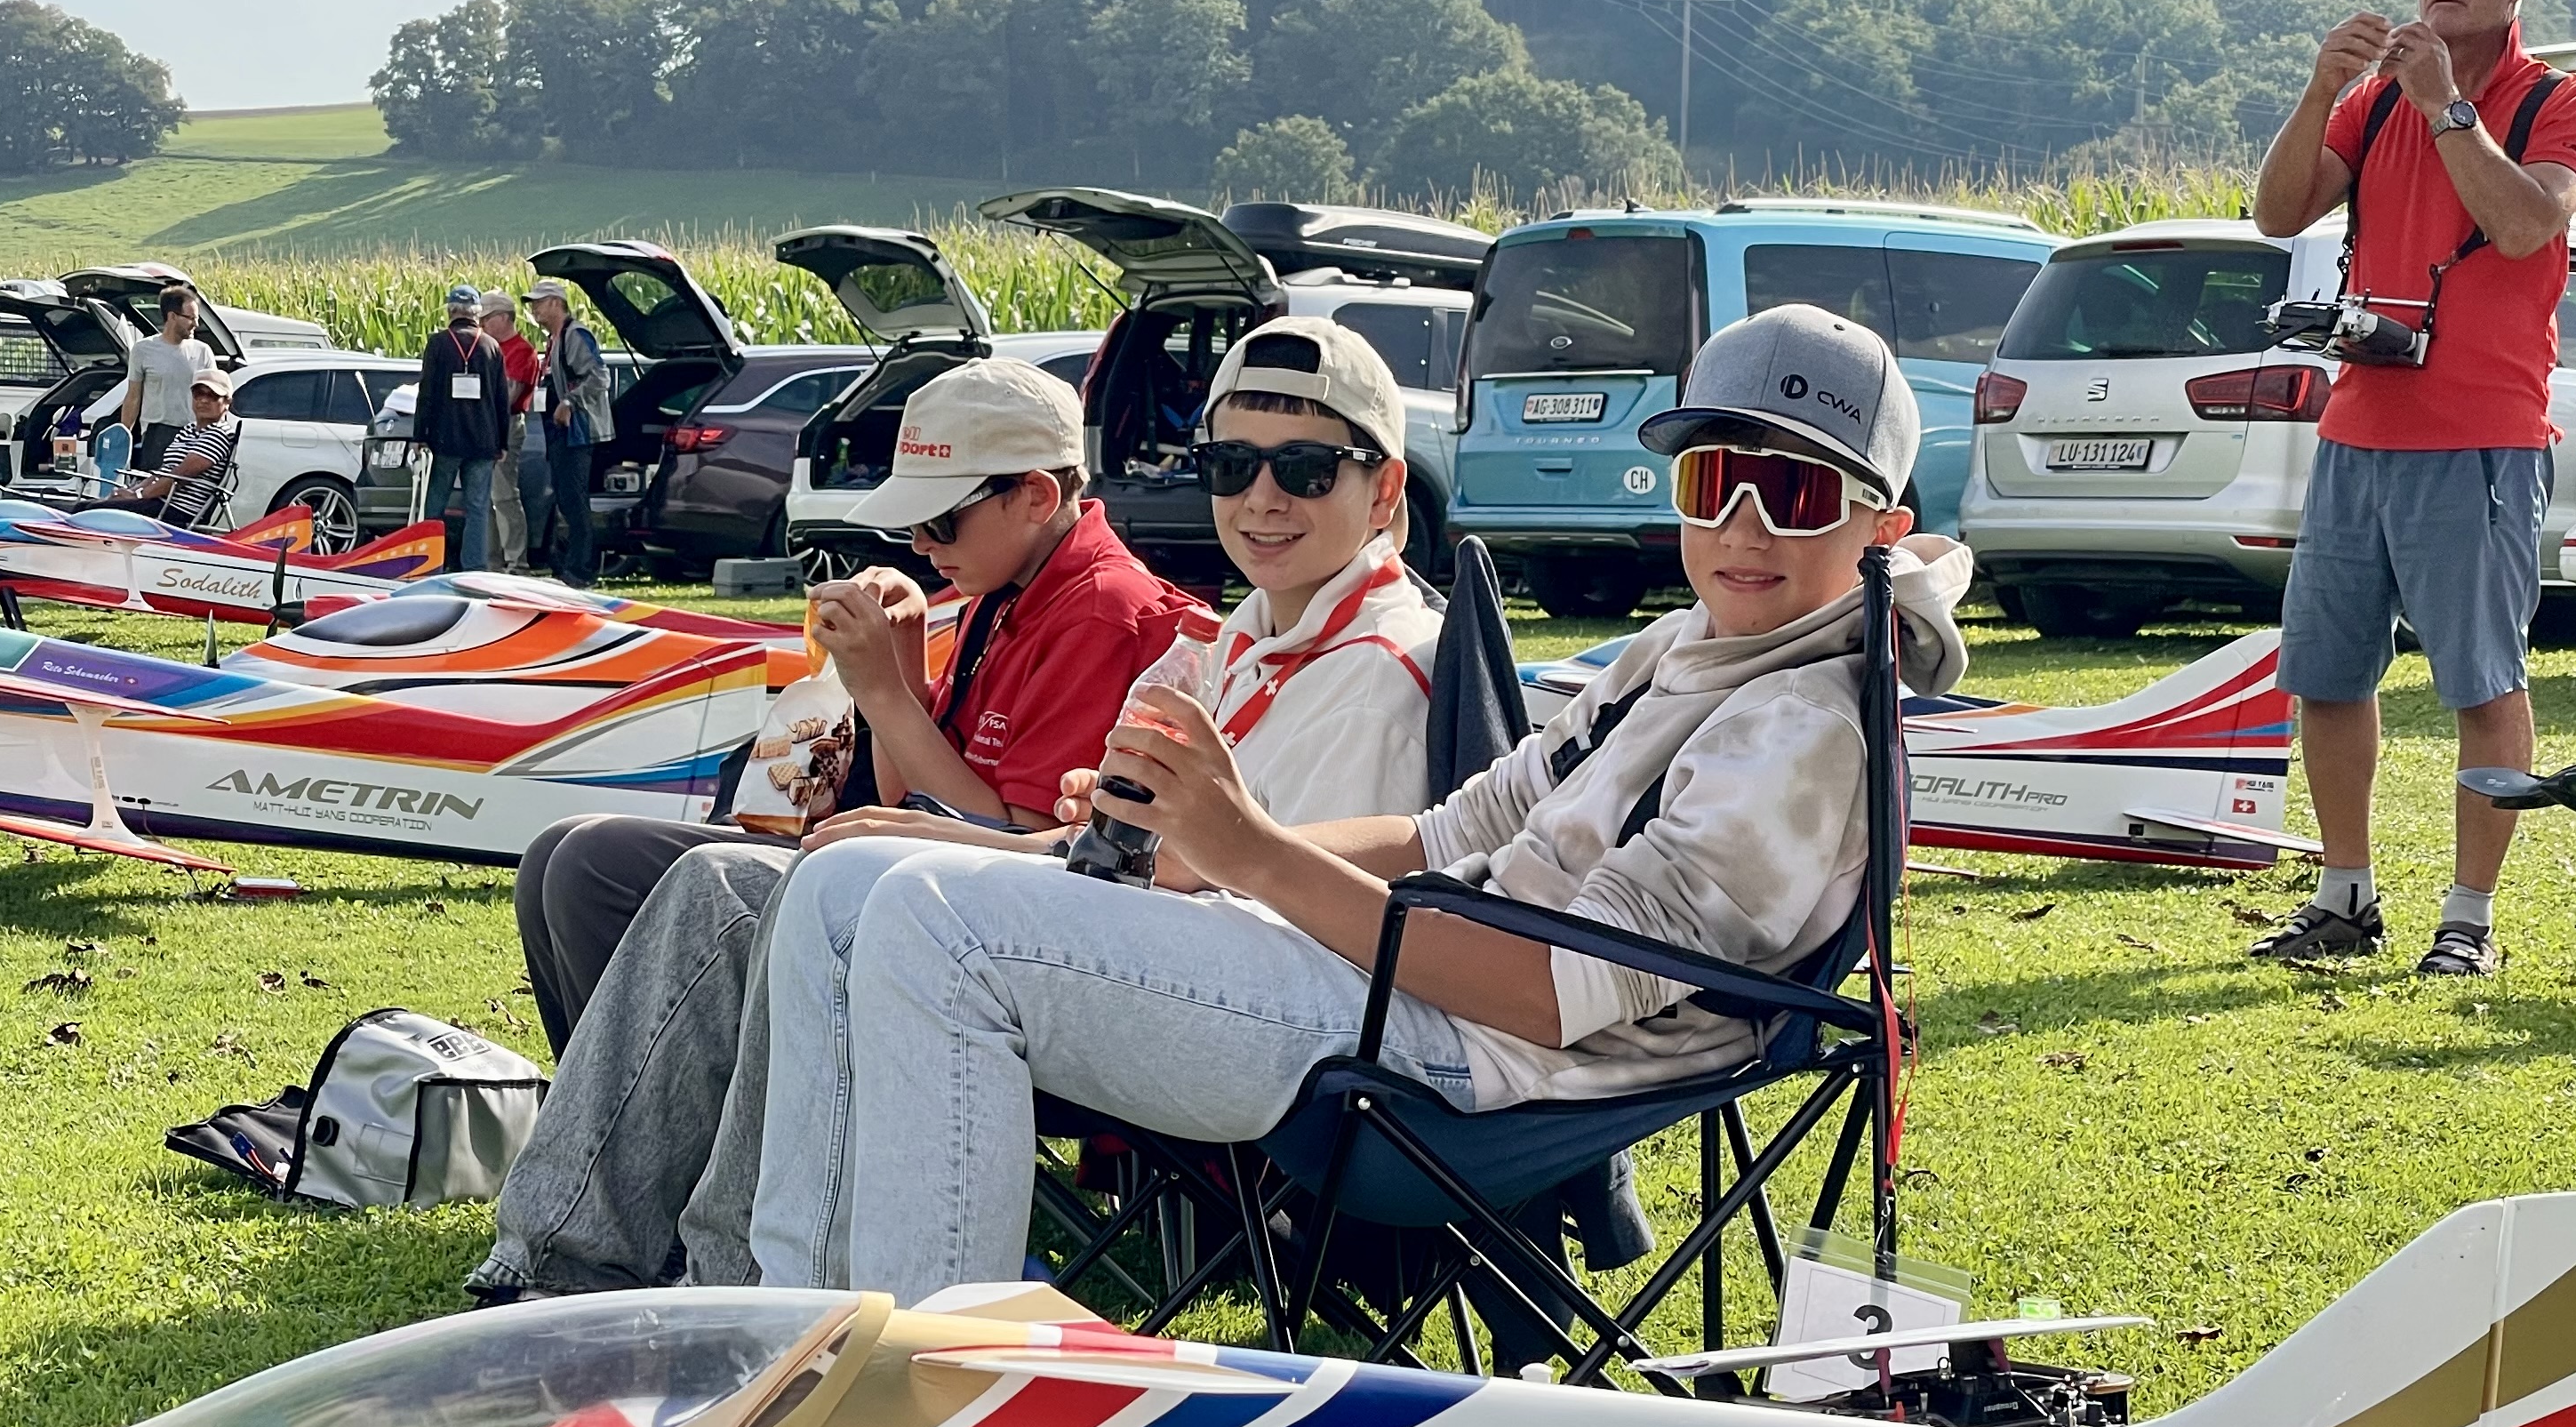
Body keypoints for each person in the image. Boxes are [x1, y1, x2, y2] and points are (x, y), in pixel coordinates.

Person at [746, 303, 1970, 1301]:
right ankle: (796, 1334)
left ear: (1884, 526)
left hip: (1470, 1067)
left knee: (933, 924)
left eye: (1794, 495)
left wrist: (1254, 854)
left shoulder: (1804, 727)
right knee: (845, 882)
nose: (1742, 529)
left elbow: (1554, 994)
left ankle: (938, 1395)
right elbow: (1452, 832)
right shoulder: (1685, 646)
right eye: (1713, 482)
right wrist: (1195, 847)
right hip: (1400, 986)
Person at [470, 352, 1396, 1303]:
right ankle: (623, 1251)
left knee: (715, 890)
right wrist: (904, 673)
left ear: (1036, 497)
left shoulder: (1104, 613)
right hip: (1046, 931)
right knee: (603, 866)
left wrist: (885, 696)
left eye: (942, 519)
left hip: (1071, 960)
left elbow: (1021, 845)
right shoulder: (1013, 596)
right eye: (1230, 468)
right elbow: (933, 804)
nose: (920, 542)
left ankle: (663, 1272)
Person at [2245, 0, 2576, 978]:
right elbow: (2277, 212)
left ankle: (2469, 921)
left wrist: (2449, 104)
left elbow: (2524, 225)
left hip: (2481, 440)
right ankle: (2343, 897)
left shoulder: (2562, 102)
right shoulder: (2373, 102)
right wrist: (2323, 86)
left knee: (2483, 684)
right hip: (2360, 432)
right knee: (2327, 675)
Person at [416, 282, 508, 573]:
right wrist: (502, 442)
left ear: (450, 311)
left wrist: (420, 435)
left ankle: (429, 564)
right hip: (483, 441)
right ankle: (474, 568)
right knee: (478, 507)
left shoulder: (438, 344)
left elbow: (426, 393)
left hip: (446, 440)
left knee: (435, 506)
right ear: (477, 313)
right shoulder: (491, 346)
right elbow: (502, 400)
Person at [530, 279, 611, 587]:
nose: (534, 309)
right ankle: (568, 565)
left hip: (577, 433)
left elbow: (600, 377)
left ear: (556, 303)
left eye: (539, 302)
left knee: (575, 501)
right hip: (559, 434)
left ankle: (582, 571)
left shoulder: (575, 335)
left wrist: (569, 402)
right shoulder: (555, 339)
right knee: (566, 500)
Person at [89, 373, 242, 527]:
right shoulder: (188, 430)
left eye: (212, 396)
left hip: (178, 509)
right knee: (91, 505)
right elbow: (164, 471)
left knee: (90, 511)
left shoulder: (219, 434)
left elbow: (179, 476)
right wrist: (131, 491)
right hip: (159, 501)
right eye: (198, 394)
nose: (203, 400)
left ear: (227, 402)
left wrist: (138, 495)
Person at [477, 289, 552, 573]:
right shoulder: (487, 348)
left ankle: (516, 561)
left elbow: (509, 395)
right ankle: (491, 561)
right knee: (484, 496)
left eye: (487, 319)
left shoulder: (521, 350)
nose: (482, 325)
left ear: (504, 317)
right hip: (485, 424)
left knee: (504, 494)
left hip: (506, 424)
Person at [116, 285, 213, 475]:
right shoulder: (143, 350)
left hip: (195, 433)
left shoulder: (203, 351)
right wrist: (123, 436)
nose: (196, 324)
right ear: (172, 316)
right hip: (157, 433)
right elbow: (133, 397)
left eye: (197, 318)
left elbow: (215, 396)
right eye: (191, 318)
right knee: (153, 486)